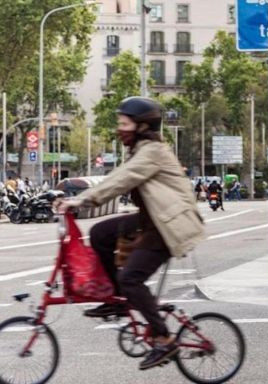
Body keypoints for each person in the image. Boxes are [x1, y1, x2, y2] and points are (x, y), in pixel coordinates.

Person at [58, 96, 205, 370]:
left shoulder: (153, 152)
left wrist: (82, 200)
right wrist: (76, 197)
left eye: (124, 124)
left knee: (132, 280)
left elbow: (123, 179)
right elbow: (118, 175)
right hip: (151, 220)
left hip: (168, 225)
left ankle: (164, 338)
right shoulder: (139, 151)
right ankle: (118, 300)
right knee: (101, 234)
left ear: (141, 126)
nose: (119, 129)